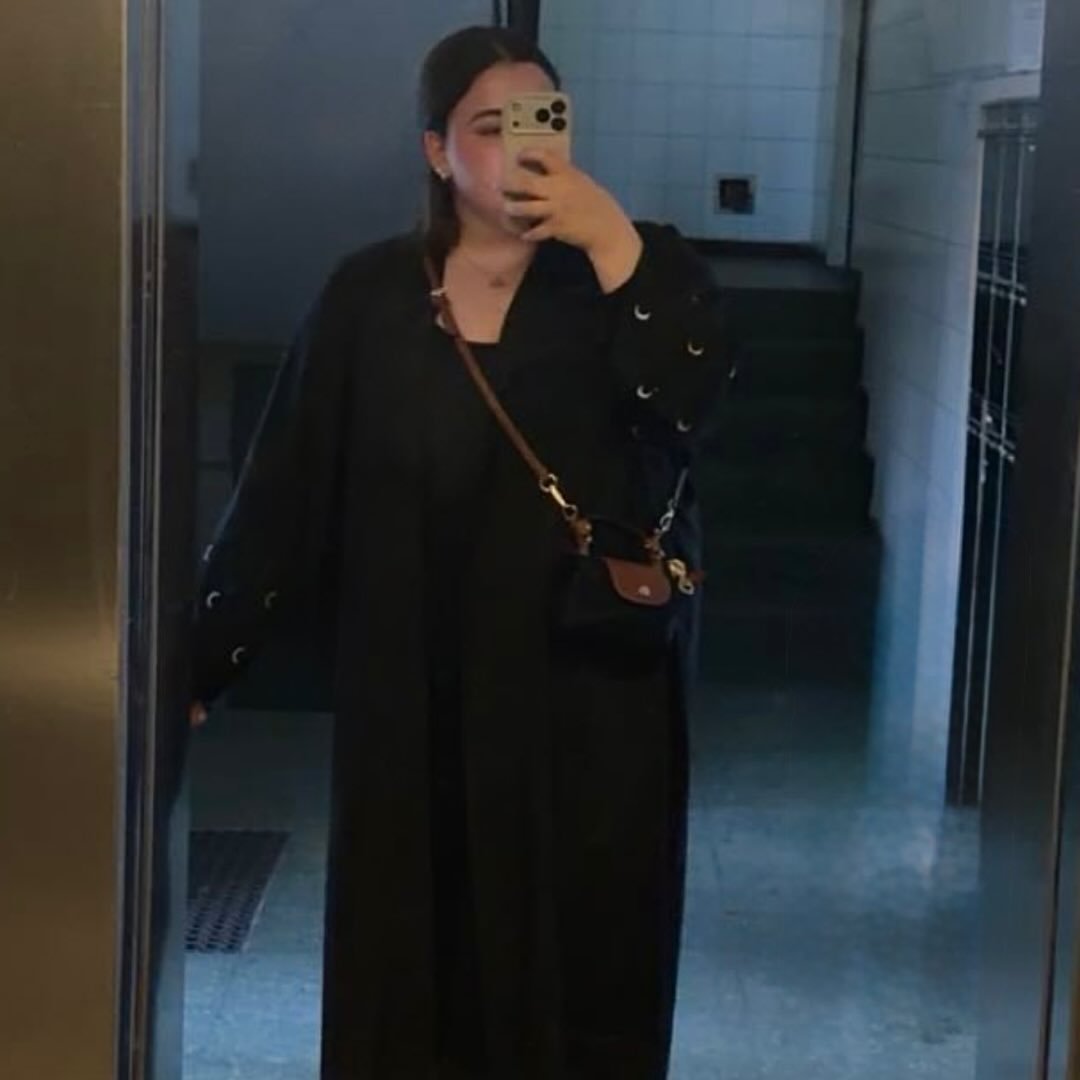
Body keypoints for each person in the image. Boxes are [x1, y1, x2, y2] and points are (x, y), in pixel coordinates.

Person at [189, 23, 735, 1080]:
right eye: (490, 126)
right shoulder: (372, 296)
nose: (524, 146)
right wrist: (202, 665)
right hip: (413, 698)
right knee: (413, 958)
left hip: (583, 705)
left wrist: (612, 242)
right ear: (437, 152)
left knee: (580, 961)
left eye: (544, 120)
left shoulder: (633, 272)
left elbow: (690, 405)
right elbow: (284, 492)